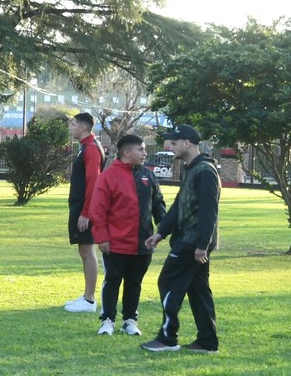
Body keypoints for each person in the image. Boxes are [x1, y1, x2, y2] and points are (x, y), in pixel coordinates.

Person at [142, 125, 221, 353]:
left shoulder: (205, 171)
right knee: (198, 289)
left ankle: (167, 338)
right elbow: (179, 205)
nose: (170, 146)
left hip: (192, 242)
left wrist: (202, 245)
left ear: (187, 143)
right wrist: (160, 233)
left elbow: (209, 210)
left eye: (174, 142)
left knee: (166, 282)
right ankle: (207, 342)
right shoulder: (192, 168)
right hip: (190, 240)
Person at [89, 133, 166, 337]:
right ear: (126, 152)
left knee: (134, 282)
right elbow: (97, 209)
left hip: (143, 242)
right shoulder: (108, 176)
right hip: (115, 243)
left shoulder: (148, 176)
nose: (144, 153)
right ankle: (107, 320)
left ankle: (130, 320)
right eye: (140, 149)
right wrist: (102, 237)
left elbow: (158, 203)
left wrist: (162, 229)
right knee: (113, 280)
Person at [64, 112, 105, 312]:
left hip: (84, 210)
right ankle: (86, 297)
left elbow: (94, 183)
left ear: (82, 127)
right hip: (79, 207)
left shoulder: (91, 149)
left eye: (72, 125)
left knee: (88, 251)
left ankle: (89, 300)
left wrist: (86, 212)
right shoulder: (85, 147)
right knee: (84, 250)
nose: (70, 128)